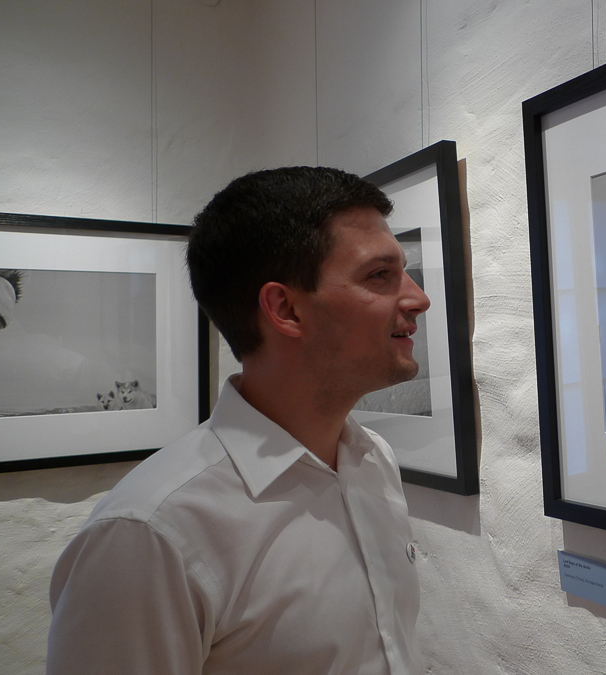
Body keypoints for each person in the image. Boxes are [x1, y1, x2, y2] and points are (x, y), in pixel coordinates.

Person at [46, 167, 430, 674]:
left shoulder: (371, 460)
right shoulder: (150, 533)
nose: (418, 298)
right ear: (285, 308)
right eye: (380, 275)